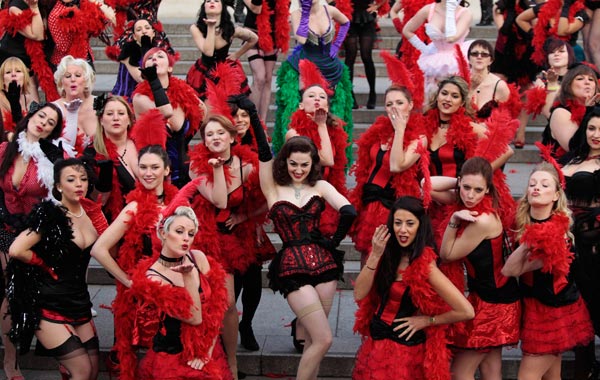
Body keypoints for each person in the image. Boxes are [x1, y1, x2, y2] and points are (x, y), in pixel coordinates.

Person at [252, 103, 357, 379]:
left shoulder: (320, 187)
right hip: (292, 268)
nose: (298, 169)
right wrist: (254, 115)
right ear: (285, 162)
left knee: (314, 340)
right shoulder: (273, 188)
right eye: (293, 164)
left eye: (304, 164)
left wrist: (333, 241)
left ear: (313, 164)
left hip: (324, 265)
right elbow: (264, 155)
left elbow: (349, 210)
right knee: (324, 339)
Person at [352, 196, 474, 379]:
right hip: (376, 344)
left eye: (410, 223)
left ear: (419, 227)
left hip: (404, 352)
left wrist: (427, 321)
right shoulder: (384, 253)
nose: (403, 230)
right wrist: (375, 255)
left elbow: (466, 311)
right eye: (398, 223)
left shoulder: (425, 265)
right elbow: (359, 294)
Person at [8, 158, 108, 380]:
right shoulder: (50, 215)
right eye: (71, 180)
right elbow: (16, 249)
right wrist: (41, 263)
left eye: (83, 179)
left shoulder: (91, 214)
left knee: (91, 371)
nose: (79, 184)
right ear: (59, 186)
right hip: (48, 303)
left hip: (79, 302)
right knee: (81, 371)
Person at [114, 205, 233, 380]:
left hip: (209, 350)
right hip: (173, 360)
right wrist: (189, 278)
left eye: (191, 234)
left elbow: (217, 307)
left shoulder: (198, 257)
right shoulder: (151, 279)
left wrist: (207, 351)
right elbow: (194, 317)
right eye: (179, 231)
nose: (186, 238)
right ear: (163, 233)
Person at [502, 162, 594, 380]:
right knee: (552, 377)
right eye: (532, 184)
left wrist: (528, 241)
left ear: (555, 195)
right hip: (533, 303)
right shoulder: (524, 220)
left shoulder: (556, 234)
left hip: (551, 311)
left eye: (544, 185)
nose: (536, 188)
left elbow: (509, 269)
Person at [90, 145, 179, 372]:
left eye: (154, 167)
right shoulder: (134, 207)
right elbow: (99, 249)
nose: (148, 173)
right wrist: (128, 281)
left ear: (167, 170)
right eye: (143, 167)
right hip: (142, 297)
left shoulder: (178, 205)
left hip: (174, 292)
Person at [188, 113, 262, 378]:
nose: (215, 138)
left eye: (220, 133)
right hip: (206, 239)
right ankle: (211, 357)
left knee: (229, 304)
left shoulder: (248, 165)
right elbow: (219, 200)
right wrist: (217, 167)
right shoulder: (197, 166)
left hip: (232, 240)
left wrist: (245, 216)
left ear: (232, 136)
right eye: (209, 135)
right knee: (215, 302)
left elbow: (268, 197)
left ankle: (231, 361)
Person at [435, 157, 520, 379]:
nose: (470, 195)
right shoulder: (475, 203)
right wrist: (458, 183)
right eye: (466, 188)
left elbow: (447, 254)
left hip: (493, 303)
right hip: (493, 296)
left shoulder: (481, 220)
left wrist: (454, 219)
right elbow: (425, 186)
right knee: (491, 369)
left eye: (478, 190)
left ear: (488, 190)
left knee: (459, 372)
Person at [0, 102, 64, 380]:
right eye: (41, 116)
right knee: (9, 293)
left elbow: (59, 199)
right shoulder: (4, 150)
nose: (44, 123)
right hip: (2, 228)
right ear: (30, 117)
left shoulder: (50, 158)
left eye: (50, 122)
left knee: (34, 293)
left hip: (33, 233)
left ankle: (54, 347)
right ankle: (11, 360)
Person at [350, 84, 426, 264]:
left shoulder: (419, 137)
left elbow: (396, 165)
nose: (394, 107)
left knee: (385, 260)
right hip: (369, 202)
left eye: (400, 102)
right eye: (389, 103)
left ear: (410, 104)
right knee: (366, 257)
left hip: (391, 205)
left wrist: (400, 130)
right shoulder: (378, 132)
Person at [229, 96, 277, 351]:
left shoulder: (259, 147)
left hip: (250, 222)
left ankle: (246, 324)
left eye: (244, 116)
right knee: (232, 283)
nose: (240, 121)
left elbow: (271, 194)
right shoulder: (220, 143)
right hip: (224, 223)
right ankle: (228, 326)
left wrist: (245, 217)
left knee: (253, 280)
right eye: (235, 116)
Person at [282, 60, 349, 237]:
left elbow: (335, 164)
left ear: (327, 106)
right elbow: (326, 159)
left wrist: (322, 126)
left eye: (322, 97)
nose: (317, 99)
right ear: (301, 106)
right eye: (311, 96)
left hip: (327, 194)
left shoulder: (334, 130)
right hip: (303, 195)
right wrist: (320, 125)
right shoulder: (293, 133)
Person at [273, 0, 353, 149]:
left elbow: (345, 22)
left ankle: (331, 157)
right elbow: (302, 39)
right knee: (299, 114)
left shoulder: (329, 10)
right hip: (305, 69)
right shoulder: (297, 14)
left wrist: (336, 44)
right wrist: (305, 12)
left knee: (336, 115)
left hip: (331, 69)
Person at [560, 106, 600, 379]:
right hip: (566, 247)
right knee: (577, 310)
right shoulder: (570, 159)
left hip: (595, 248)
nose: (596, 134)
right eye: (592, 128)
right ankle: (584, 368)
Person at [132, 47, 205, 188]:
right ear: (144, 70)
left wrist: (187, 136)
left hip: (185, 166)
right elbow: (169, 114)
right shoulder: (140, 98)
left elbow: (203, 110)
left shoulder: (182, 90)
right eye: (149, 58)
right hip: (157, 172)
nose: (154, 59)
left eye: (160, 56)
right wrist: (154, 81)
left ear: (170, 68)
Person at [186, 0, 258, 100]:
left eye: (216, 1)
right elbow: (208, 52)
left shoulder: (231, 29)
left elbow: (254, 39)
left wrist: (237, 54)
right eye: (208, 1)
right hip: (203, 73)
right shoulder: (196, 28)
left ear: (222, 6)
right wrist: (211, 27)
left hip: (226, 71)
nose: (212, 3)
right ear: (204, 6)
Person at [403, 0, 473, 100]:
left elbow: (451, 38)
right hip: (434, 58)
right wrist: (423, 49)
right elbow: (407, 30)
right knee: (432, 97)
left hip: (456, 59)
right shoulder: (429, 9)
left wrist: (450, 9)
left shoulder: (465, 13)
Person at [518, 38, 577, 148]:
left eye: (561, 51)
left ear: (569, 55)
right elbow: (547, 112)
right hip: (555, 131)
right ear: (547, 58)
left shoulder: (579, 76)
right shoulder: (541, 81)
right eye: (552, 52)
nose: (556, 55)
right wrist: (552, 85)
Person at [88, 95, 138, 221]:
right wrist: (105, 177)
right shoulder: (92, 153)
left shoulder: (143, 145)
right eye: (110, 114)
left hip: (146, 218)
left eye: (121, 113)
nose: (116, 118)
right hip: (114, 223)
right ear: (101, 120)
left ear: (129, 119)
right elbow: (97, 201)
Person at [242, 0, 290, 122]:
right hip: (252, 35)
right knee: (259, 77)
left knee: (268, 79)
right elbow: (256, 9)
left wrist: (281, 36)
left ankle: (261, 122)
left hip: (272, 36)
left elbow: (284, 9)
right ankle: (252, 120)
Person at [541, 63, 599, 160]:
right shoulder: (560, 113)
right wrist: (588, 112)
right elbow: (574, 148)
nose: (587, 82)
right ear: (568, 85)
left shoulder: (597, 110)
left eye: (591, 79)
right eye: (580, 79)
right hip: (569, 169)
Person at [343, 0, 388, 109]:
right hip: (348, 17)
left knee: (366, 55)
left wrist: (377, 5)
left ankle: (372, 93)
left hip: (367, 17)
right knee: (350, 56)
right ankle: (350, 94)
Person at [47, 0, 115, 69]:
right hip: (66, 65)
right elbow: (63, 47)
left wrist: (100, 10)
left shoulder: (82, 4)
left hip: (86, 58)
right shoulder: (55, 15)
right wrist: (76, 26)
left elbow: (95, 31)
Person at [52, 56, 98, 154]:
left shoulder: (101, 104)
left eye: (78, 75)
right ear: (61, 82)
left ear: (86, 80)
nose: (73, 79)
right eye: (67, 76)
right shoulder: (54, 109)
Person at [111, 18, 158, 99]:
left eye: (147, 28)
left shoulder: (157, 51)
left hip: (151, 97)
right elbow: (140, 79)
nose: (144, 31)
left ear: (153, 33)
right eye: (139, 30)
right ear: (134, 36)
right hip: (126, 98)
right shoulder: (129, 50)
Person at [467, 40, 511, 121]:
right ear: (469, 59)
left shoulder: (500, 86)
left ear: (491, 61)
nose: (479, 57)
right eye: (474, 54)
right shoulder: (459, 83)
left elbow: (506, 120)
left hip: (489, 132)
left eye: (484, 54)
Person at [0, 57, 39, 130]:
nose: (13, 74)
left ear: (25, 76)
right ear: (3, 79)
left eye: (18, 71)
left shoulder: (29, 96)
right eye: (8, 72)